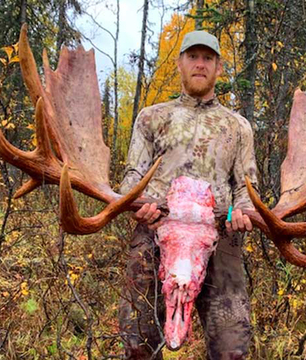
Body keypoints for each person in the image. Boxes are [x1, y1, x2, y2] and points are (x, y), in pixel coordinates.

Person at [119, 30, 258, 360]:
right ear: (180, 64)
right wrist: (136, 207)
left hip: (220, 235)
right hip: (155, 231)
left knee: (231, 347)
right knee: (138, 341)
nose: (200, 64)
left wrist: (242, 212)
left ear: (218, 67)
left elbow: (245, 187)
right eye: (193, 57)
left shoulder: (237, 126)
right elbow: (131, 180)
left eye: (207, 58)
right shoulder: (153, 117)